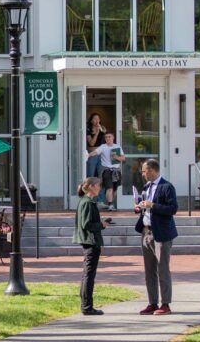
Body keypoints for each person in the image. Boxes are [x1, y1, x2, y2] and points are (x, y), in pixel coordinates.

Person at [135, 158, 178, 316]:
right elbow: (145, 206)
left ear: (152, 170)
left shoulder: (167, 187)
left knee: (162, 269)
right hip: (146, 232)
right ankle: (152, 303)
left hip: (161, 234)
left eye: (144, 171)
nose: (143, 174)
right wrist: (139, 207)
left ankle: (165, 304)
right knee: (149, 270)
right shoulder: (146, 186)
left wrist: (153, 205)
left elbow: (173, 208)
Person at [72, 176, 110, 316]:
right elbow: (86, 224)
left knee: (87, 274)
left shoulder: (85, 201)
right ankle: (87, 306)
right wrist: (101, 225)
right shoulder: (87, 202)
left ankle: (86, 305)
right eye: (98, 185)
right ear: (91, 186)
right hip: (91, 241)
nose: (100, 188)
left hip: (89, 241)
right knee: (88, 275)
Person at [86, 132, 126, 211]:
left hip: (116, 170)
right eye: (106, 137)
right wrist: (87, 155)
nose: (108, 138)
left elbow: (123, 158)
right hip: (106, 170)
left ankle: (110, 203)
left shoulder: (117, 147)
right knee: (109, 188)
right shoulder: (103, 147)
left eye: (109, 137)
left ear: (113, 138)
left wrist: (116, 157)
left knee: (115, 189)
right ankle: (110, 205)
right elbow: (95, 152)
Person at [86, 113, 106, 178]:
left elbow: (107, 135)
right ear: (91, 121)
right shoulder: (88, 130)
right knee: (90, 174)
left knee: (101, 174)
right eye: (95, 119)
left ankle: (100, 188)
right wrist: (97, 133)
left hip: (101, 154)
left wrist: (101, 130)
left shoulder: (102, 128)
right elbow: (91, 143)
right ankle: (89, 187)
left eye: (98, 119)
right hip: (92, 154)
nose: (97, 120)